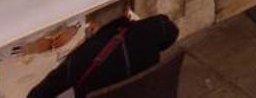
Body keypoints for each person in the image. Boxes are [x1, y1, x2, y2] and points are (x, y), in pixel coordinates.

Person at [27, 9, 180, 98]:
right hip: (92, 89)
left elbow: (99, 36)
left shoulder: (123, 27)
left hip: (78, 69)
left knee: (42, 92)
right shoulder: (152, 61)